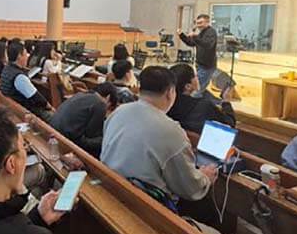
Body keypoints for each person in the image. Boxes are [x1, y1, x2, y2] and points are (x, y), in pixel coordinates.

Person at [101, 66, 218, 221]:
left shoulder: (118, 112)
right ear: (170, 92)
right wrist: (205, 177)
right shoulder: (171, 130)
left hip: (112, 189)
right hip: (146, 208)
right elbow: (190, 188)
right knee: (210, 212)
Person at [50, 83, 118, 158]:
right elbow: (91, 134)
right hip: (67, 140)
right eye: (109, 107)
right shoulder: (100, 104)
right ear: (108, 97)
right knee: (105, 140)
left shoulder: (80, 94)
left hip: (53, 131)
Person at [168, 63, 235, 134]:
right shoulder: (204, 106)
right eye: (196, 76)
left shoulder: (167, 106)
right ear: (188, 86)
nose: (198, 78)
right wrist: (226, 102)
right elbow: (229, 124)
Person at [0, 42, 53, 122]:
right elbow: (37, 98)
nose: (27, 57)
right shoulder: (19, 77)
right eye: (25, 54)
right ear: (19, 56)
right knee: (57, 119)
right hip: (27, 112)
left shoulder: (7, 69)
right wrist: (50, 107)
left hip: (15, 108)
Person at [178, 14, 218, 94]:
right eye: (197, 23)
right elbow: (191, 43)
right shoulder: (201, 33)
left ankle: (195, 100)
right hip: (199, 64)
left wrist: (195, 36)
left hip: (206, 67)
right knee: (199, 88)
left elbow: (208, 45)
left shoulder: (211, 32)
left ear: (207, 22)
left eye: (200, 23)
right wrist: (182, 35)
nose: (198, 25)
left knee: (196, 90)